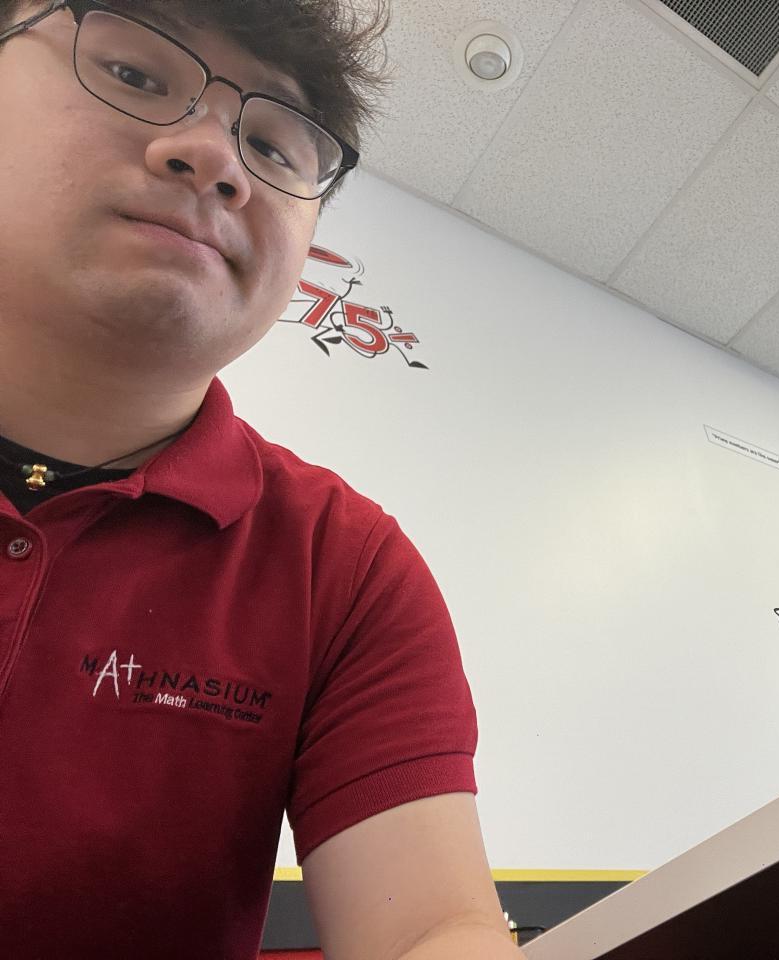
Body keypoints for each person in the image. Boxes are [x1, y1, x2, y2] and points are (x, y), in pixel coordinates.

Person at [0, 2, 524, 957]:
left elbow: (434, 928)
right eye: (134, 75)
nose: (214, 158)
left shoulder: (344, 566)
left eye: (274, 146)